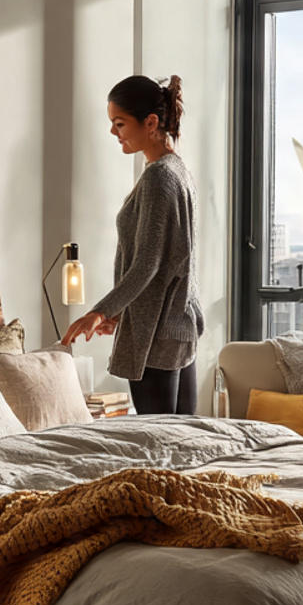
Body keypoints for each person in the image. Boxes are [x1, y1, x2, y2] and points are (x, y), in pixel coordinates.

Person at [62, 74, 204, 415]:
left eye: (120, 123)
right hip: (178, 326)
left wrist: (100, 311)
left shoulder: (159, 177)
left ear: (150, 122)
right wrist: (121, 311)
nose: (114, 132)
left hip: (156, 332)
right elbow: (169, 260)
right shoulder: (178, 170)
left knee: (156, 441)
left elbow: (147, 264)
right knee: (183, 438)